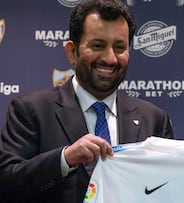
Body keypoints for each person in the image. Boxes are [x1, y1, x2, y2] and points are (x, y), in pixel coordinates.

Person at [0, 0, 173, 202]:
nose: (110, 59)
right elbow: (5, 183)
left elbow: (169, 189)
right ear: (72, 52)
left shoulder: (155, 119)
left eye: (119, 47)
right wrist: (65, 159)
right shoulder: (31, 110)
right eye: (98, 45)